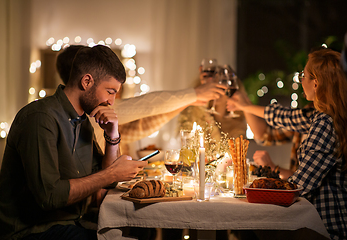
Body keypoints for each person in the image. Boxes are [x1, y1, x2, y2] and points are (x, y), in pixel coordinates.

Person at [0, 45, 148, 240]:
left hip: (73, 222)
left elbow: (105, 180)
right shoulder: (40, 118)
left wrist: (112, 135)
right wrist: (111, 173)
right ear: (86, 81)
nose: (112, 101)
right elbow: (49, 197)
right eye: (110, 91)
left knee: (140, 228)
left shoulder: (84, 123)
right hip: (33, 231)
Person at [228, 48, 347, 240]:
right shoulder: (319, 115)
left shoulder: (325, 123)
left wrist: (257, 189)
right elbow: (282, 117)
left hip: (326, 229)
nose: (301, 80)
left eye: (303, 75)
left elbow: (299, 186)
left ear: (315, 83)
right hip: (312, 222)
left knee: (252, 227)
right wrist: (244, 106)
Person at [56, 45, 227, 155]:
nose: (112, 100)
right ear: (84, 76)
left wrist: (189, 100)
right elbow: (145, 105)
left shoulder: (97, 113)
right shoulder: (85, 113)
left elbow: (139, 128)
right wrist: (194, 94)